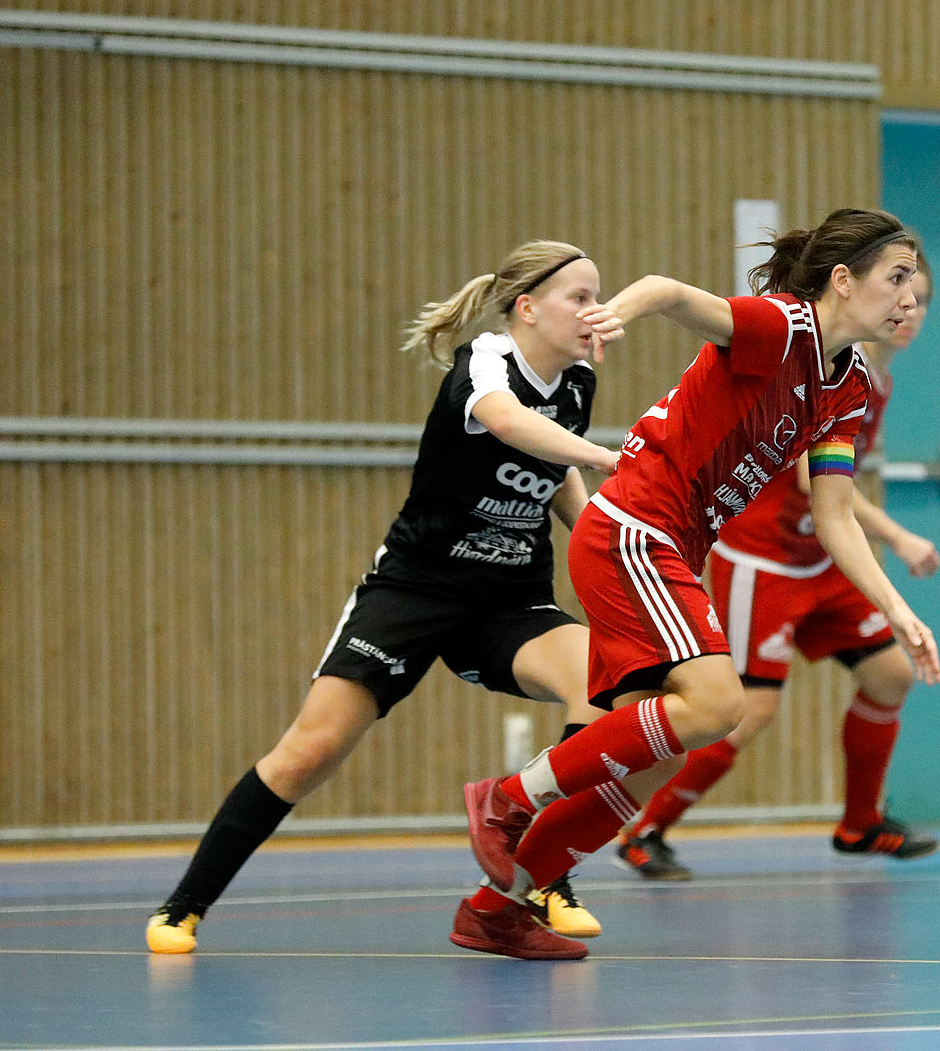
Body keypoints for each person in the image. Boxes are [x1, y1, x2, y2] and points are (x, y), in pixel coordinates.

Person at [449, 207, 940, 961]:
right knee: (720, 702)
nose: (912, 297)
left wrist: (898, 610)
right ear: (842, 281)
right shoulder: (784, 327)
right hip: (633, 527)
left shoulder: (842, 390)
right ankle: (508, 799)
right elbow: (669, 291)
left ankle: (498, 905)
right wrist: (618, 313)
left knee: (661, 753)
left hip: (672, 546)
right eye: (897, 278)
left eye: (918, 284)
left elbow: (836, 516)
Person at [145, 241, 623, 955]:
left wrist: (610, 546)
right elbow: (508, 422)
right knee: (310, 751)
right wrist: (610, 457)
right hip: (416, 592)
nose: (596, 311)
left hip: (510, 602)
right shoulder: (488, 361)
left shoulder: (578, 382)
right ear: (527, 309)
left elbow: (555, 472)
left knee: (606, 683)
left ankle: (542, 871)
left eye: (599, 296)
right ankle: (184, 905)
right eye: (578, 297)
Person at [618, 265, 940, 880]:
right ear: (853, 286)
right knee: (748, 708)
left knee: (891, 675)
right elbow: (811, 482)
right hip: (764, 557)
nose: (912, 309)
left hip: (819, 558)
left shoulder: (876, 379)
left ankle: (859, 823)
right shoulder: (827, 363)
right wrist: (899, 537)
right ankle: (646, 829)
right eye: (902, 291)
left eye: (922, 299)